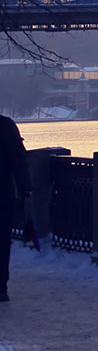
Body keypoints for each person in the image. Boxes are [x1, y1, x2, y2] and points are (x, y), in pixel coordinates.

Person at [0, 114, 25, 301]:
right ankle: (1, 286)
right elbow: (19, 158)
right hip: (3, 193)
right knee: (2, 240)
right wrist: (25, 186)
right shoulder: (5, 125)